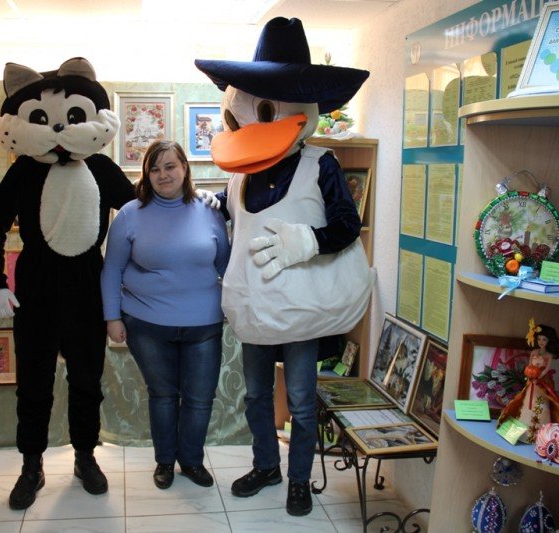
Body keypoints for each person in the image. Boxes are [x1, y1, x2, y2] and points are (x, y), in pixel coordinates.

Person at [195, 17, 374, 516]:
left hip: (300, 306)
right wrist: (213, 204)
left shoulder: (321, 163)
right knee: (256, 396)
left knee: (299, 397)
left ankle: (298, 479)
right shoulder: (240, 173)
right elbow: (239, 216)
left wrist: (308, 240)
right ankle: (266, 466)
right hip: (254, 304)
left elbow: (348, 224)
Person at [0, 58, 136, 510]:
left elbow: (138, 211)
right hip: (36, 286)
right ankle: (32, 464)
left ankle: (85, 456)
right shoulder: (24, 170)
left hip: (88, 283)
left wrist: (189, 202)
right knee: (33, 382)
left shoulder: (101, 166)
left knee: (87, 379)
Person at [101, 140, 230, 490]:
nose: (163, 175)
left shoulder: (210, 211)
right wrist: (112, 318)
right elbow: (112, 269)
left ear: (184, 168)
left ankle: (191, 461)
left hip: (204, 324)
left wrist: (240, 306)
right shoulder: (129, 214)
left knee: (200, 399)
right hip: (147, 325)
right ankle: (164, 462)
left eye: (170, 166)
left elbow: (226, 264)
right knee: (162, 395)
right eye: (154, 169)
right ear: (147, 176)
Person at [497, 319, 559, 444]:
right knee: (526, 402)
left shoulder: (548, 355)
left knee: (540, 404)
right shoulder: (534, 352)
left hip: (542, 382)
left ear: (549, 341)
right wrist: (529, 373)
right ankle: (523, 431)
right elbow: (529, 365)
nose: (541, 342)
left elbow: (547, 369)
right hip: (531, 381)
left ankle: (539, 434)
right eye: (539, 339)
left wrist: (539, 376)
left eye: (544, 339)